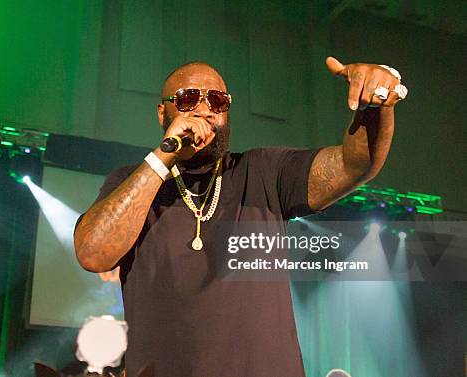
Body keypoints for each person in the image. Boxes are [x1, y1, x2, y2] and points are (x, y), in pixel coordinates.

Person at [73, 57, 407, 376]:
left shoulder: (263, 171)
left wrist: (375, 108)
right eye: (188, 99)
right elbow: (93, 252)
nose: (204, 110)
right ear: (163, 112)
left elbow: (354, 165)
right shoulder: (132, 181)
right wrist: (165, 153)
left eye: (217, 101)